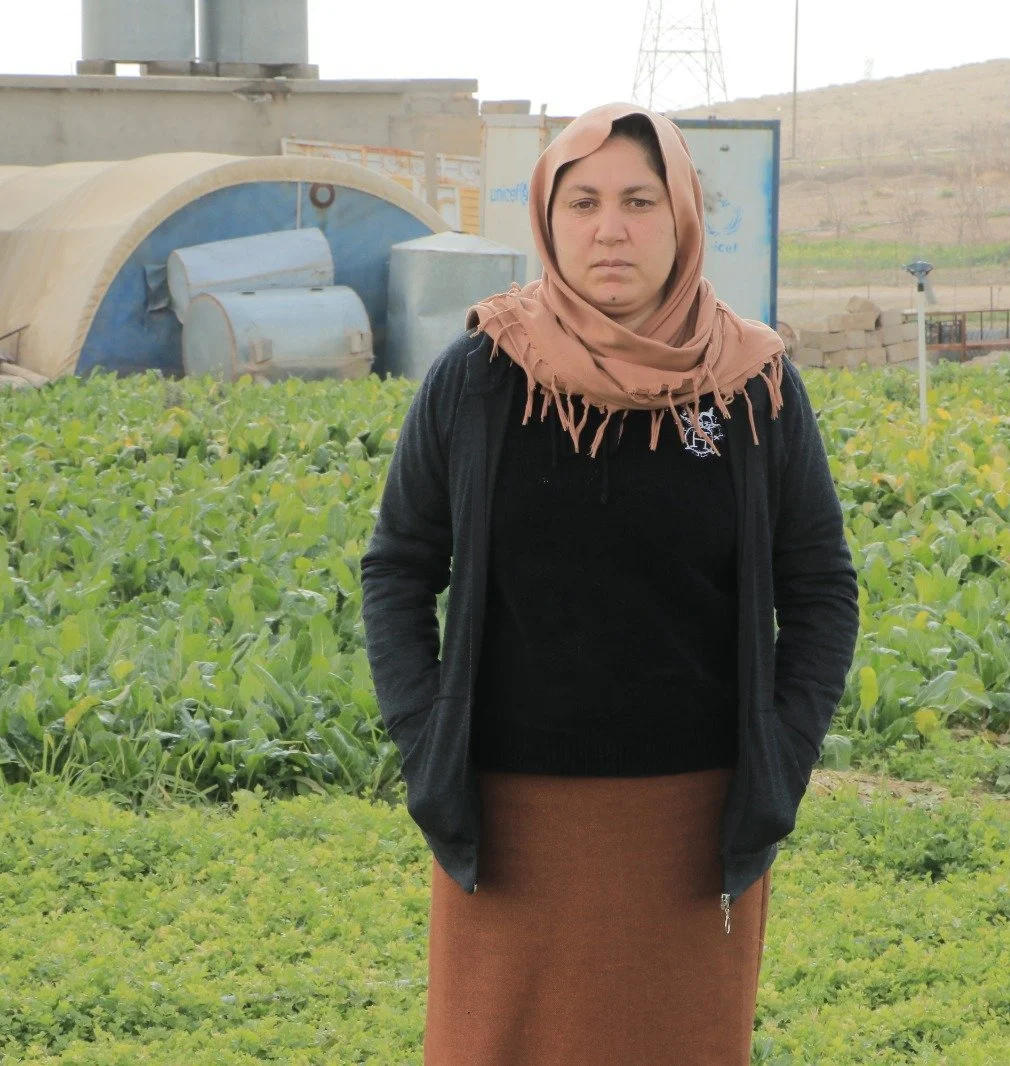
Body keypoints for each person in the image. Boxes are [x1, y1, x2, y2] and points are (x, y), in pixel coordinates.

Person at [360, 101, 860, 1064]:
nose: (611, 228)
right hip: (509, 830)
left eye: (640, 199)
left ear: (682, 220)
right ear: (547, 221)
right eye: (582, 201)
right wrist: (428, 744)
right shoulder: (477, 379)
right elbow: (398, 568)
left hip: (689, 829)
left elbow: (821, 588)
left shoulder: (752, 388)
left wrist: (782, 754)